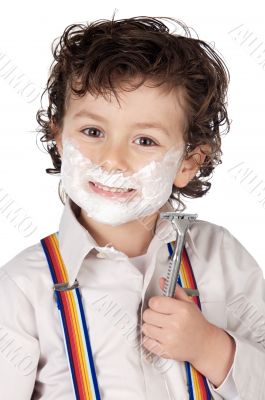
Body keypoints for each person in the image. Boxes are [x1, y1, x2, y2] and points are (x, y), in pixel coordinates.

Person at [0, 14, 264, 400]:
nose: (112, 160)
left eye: (145, 141)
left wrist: (212, 348)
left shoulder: (221, 257)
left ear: (188, 163)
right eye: (93, 132)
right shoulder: (22, 289)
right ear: (59, 137)